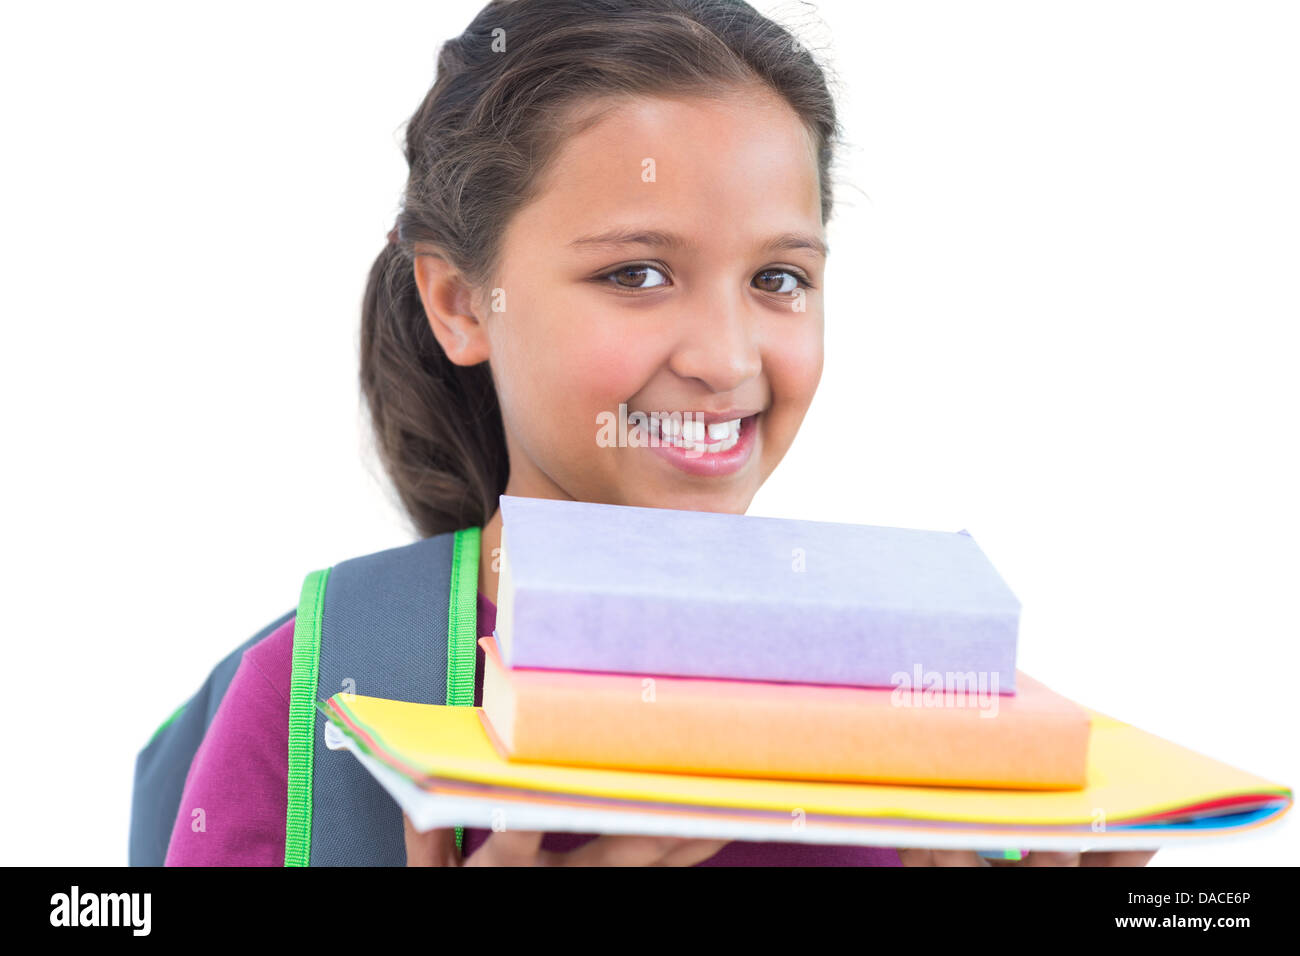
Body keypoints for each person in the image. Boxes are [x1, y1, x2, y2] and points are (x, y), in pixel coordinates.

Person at [164, 0, 1154, 868]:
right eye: (637, 273)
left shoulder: (929, 720)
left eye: (778, 278)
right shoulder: (320, 701)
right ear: (460, 300)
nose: (725, 358)